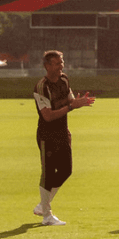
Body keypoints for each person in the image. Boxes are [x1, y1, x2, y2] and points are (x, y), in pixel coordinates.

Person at [32, 50, 95, 226]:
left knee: (66, 170)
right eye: (58, 63)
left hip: (63, 132)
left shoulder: (64, 79)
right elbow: (48, 116)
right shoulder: (41, 87)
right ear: (47, 66)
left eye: (62, 62)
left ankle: (42, 206)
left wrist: (79, 102)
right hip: (47, 135)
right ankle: (47, 216)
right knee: (48, 174)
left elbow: (70, 100)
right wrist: (71, 106)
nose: (62, 66)